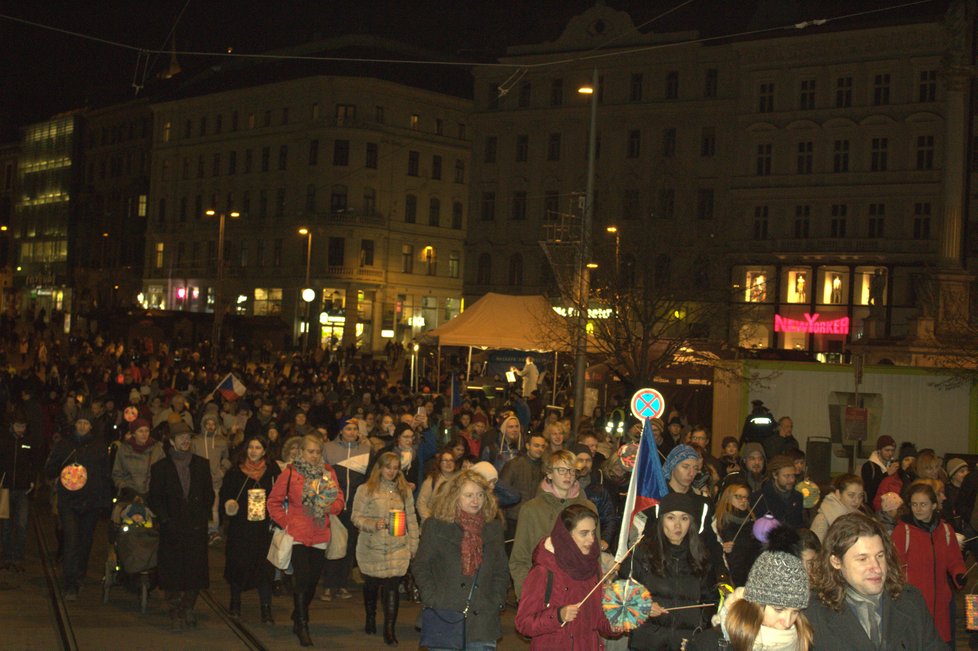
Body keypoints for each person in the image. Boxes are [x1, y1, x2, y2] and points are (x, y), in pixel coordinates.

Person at [804, 512, 945, 650]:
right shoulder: (814, 615)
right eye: (862, 559)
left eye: (879, 556)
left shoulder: (910, 602)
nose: (877, 568)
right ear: (836, 561)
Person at [414, 470, 510, 651]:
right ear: (454, 497)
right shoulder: (435, 526)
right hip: (444, 613)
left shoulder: (493, 528)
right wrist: (432, 598)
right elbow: (421, 565)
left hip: (483, 617)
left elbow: (501, 569)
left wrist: (497, 599)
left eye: (480, 495)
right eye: (469, 495)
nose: (476, 501)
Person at [267, 434, 345, 647]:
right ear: (301, 452)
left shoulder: (328, 472)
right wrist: (286, 522)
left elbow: (339, 498)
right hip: (298, 534)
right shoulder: (291, 473)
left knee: (312, 581)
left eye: (317, 452)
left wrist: (332, 507)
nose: (314, 455)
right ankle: (302, 623)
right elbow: (273, 502)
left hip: (320, 533)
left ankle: (298, 612)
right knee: (302, 579)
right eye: (310, 451)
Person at [515, 504, 615, 650]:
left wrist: (613, 625)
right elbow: (523, 623)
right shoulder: (544, 570)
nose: (591, 540)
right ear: (566, 535)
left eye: (593, 533)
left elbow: (597, 618)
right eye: (584, 533)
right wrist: (558, 615)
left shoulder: (593, 567)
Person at [626, 491, 715, 650]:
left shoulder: (701, 556)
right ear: (661, 520)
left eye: (684, 518)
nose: (678, 525)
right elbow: (623, 593)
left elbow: (709, 602)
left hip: (684, 643)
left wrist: (699, 632)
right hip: (647, 642)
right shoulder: (643, 552)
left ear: (691, 522)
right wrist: (642, 605)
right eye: (671, 517)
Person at [148, 422, 215, 630]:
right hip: (172, 528)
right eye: (181, 437)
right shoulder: (161, 467)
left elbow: (209, 494)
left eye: (188, 437)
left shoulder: (201, 464)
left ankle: (188, 607)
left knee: (195, 571)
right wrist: (166, 519)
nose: (185, 441)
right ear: (171, 441)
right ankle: (175, 609)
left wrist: (202, 516)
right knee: (173, 572)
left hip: (195, 527)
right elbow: (155, 498)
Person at [352, 451, 420, 646]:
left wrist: (414, 544)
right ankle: (371, 616)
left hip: (397, 546)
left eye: (395, 468)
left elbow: (412, 518)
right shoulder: (365, 490)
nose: (391, 471)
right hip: (372, 546)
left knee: (392, 587)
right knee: (372, 585)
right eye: (388, 467)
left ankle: (389, 629)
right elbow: (356, 517)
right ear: (379, 468)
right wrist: (373, 524)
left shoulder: (404, 490)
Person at [688, 545, 813, 650]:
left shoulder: (803, 640)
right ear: (756, 603)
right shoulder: (709, 645)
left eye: (795, 612)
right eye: (779, 609)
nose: (787, 622)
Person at [510, 450, 597, 598]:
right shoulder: (532, 509)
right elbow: (520, 558)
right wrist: (527, 594)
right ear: (549, 473)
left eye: (571, 470)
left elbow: (595, 556)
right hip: (543, 590)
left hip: (579, 592)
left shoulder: (589, 507)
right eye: (561, 470)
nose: (568, 475)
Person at [44, 409, 111, 600]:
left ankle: (80, 574)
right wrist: (60, 471)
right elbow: (50, 469)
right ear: (75, 424)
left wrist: (105, 501)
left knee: (85, 541)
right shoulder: (64, 445)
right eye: (80, 422)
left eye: (86, 423)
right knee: (71, 540)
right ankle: (70, 583)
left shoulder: (98, 447)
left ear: (91, 426)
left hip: (91, 502)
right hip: (69, 502)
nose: (82, 426)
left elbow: (105, 475)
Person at [891, 482, 965, 645]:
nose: (918, 509)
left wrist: (959, 573)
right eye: (914, 504)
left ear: (934, 505)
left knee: (939, 642)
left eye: (923, 504)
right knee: (915, 642)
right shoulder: (903, 531)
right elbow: (893, 564)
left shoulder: (946, 531)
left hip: (940, 602)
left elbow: (954, 559)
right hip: (913, 602)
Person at [219, 433, 281, 624]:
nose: (254, 451)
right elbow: (225, 494)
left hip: (263, 528)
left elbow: (281, 495)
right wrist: (229, 505)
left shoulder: (272, 470)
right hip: (241, 527)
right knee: (238, 566)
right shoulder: (235, 471)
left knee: (264, 569)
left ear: (264, 451)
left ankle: (266, 609)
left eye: (258, 448)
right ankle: (235, 603)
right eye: (251, 447)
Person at [321, 417, 372, 602]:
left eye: (354, 429)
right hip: (334, 506)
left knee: (349, 546)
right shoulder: (329, 448)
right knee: (333, 545)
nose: (351, 432)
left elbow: (368, 479)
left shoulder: (366, 450)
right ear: (341, 431)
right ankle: (328, 585)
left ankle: (342, 584)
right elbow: (322, 475)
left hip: (355, 507)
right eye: (348, 428)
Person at [0, 412, 38, 571]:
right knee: (6, 525)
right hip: (6, 488)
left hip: (23, 489)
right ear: (12, 426)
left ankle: (18, 557)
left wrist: (32, 481)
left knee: (21, 525)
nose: (20, 429)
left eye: (23, 426)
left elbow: (34, 461)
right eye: (18, 426)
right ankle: (6, 557)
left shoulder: (28, 442)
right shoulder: (4, 441)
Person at [571, 443, 620, 553]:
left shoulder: (599, 490)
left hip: (591, 544)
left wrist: (605, 540)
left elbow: (609, 518)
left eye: (588, 460)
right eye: (580, 460)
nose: (584, 464)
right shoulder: (565, 486)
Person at [499, 432, 547, 540]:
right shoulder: (514, 464)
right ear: (527, 446)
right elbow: (501, 492)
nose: (540, 449)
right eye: (536, 445)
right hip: (514, 518)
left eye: (542, 446)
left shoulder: (545, 468)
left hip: (535, 518)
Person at [713, 482, 761, 587]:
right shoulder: (718, 521)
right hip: (730, 574)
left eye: (746, 498)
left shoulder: (753, 521)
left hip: (751, 575)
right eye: (739, 497)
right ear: (728, 497)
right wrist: (722, 548)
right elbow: (710, 545)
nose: (744, 500)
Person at [111, 417, 164, 500]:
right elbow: (117, 473)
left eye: (147, 431)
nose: (144, 434)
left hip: (152, 495)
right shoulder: (124, 449)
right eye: (141, 431)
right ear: (134, 433)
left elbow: (163, 472)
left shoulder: (157, 449)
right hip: (130, 494)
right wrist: (125, 488)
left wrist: (156, 488)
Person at [751, 454, 803, 529]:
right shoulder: (759, 498)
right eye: (787, 476)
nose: (792, 480)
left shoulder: (798, 497)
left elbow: (799, 525)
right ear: (775, 475)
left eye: (793, 475)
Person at [810, 474, 865, 542]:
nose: (857, 501)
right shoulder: (822, 519)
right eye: (851, 495)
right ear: (838, 494)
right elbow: (813, 550)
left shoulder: (861, 517)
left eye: (860, 496)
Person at [417, 449, 458, 523]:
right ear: (439, 463)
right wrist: (429, 521)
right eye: (445, 460)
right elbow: (421, 504)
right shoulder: (431, 481)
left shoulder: (459, 481)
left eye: (451, 460)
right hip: (433, 523)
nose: (448, 463)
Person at [872, 442, 916, 511]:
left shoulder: (920, 481)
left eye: (913, 460)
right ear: (901, 463)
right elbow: (877, 503)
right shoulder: (889, 481)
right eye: (906, 460)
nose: (910, 463)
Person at [860, 435, 896, 506]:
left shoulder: (892, 464)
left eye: (892, 450)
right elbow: (869, 489)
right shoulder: (868, 466)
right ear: (879, 450)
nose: (890, 453)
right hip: (872, 507)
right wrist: (886, 474)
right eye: (887, 450)